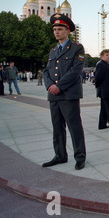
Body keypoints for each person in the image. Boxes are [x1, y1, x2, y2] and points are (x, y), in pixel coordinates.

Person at [42, 13, 86, 170]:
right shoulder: (53, 51)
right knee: (57, 127)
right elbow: (47, 71)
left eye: (60, 29)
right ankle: (60, 155)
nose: (56, 32)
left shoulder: (76, 48)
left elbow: (75, 71)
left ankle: (80, 156)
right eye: (54, 29)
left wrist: (59, 85)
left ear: (68, 31)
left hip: (68, 94)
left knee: (74, 127)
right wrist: (49, 86)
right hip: (53, 95)